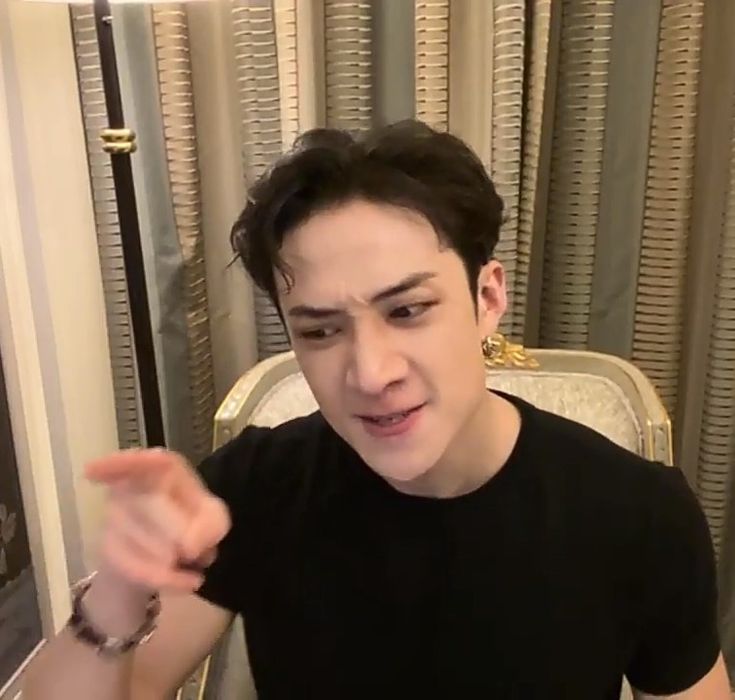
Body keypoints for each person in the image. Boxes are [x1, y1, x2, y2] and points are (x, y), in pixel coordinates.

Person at [24, 121, 730, 699]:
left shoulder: (635, 511)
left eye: (408, 309)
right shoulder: (257, 484)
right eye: (320, 330)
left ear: (486, 300)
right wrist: (120, 588)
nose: (369, 372)